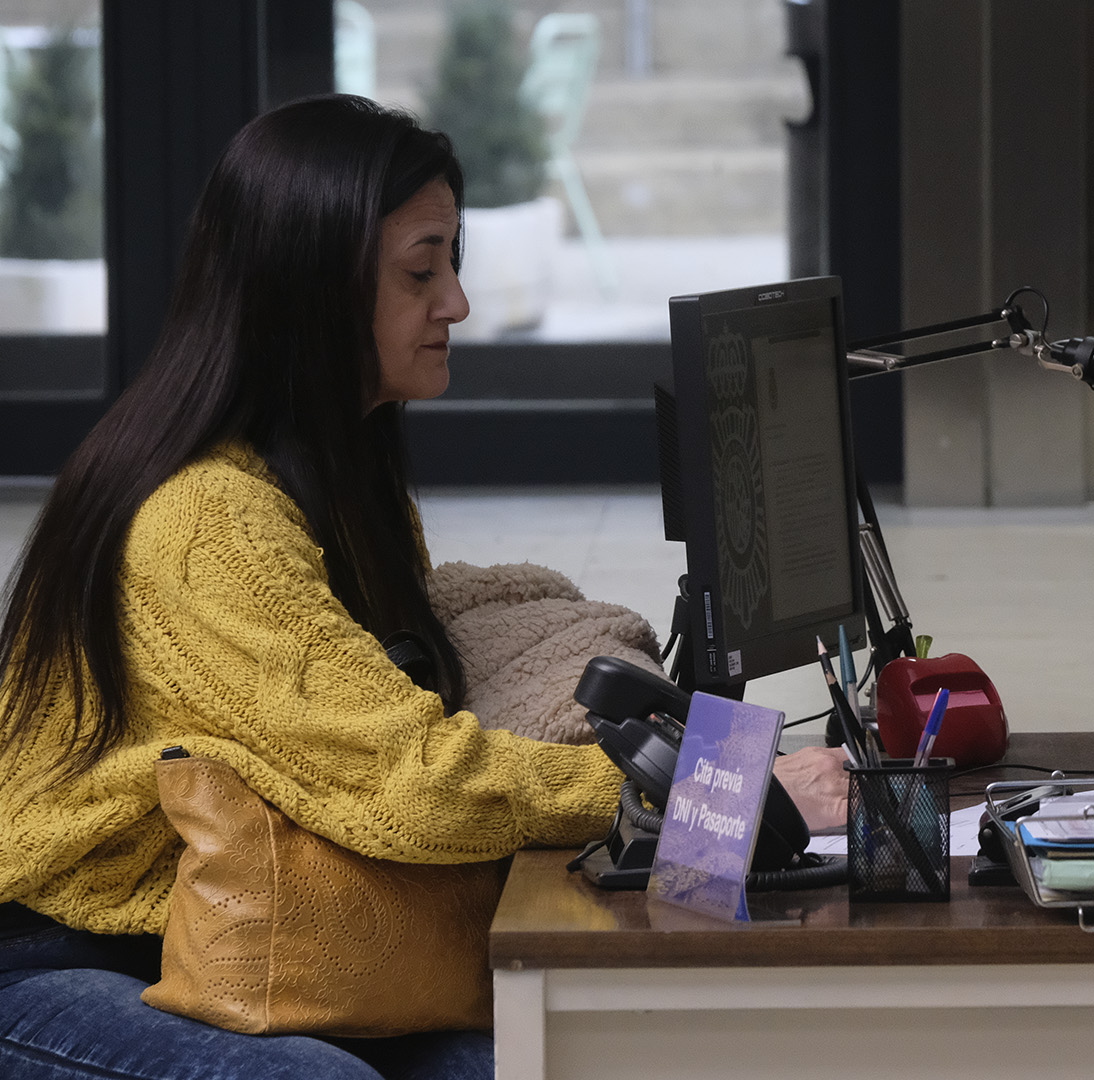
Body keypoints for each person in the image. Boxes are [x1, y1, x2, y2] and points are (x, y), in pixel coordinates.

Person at [0, 96, 845, 1079]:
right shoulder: (205, 521)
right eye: (420, 271)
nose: (457, 303)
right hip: (67, 952)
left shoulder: (338, 473)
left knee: (538, 1057)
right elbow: (413, 782)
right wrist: (715, 787)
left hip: (257, 924)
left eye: (453, 262)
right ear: (312, 287)